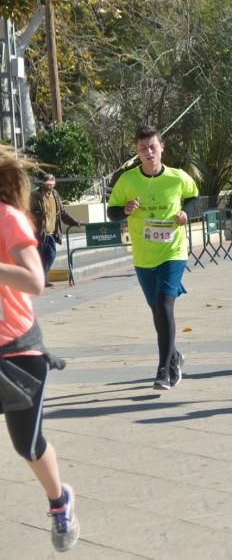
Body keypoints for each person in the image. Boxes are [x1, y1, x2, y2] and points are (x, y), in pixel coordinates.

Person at [0, 148, 79, 552]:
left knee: (27, 444)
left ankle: (59, 502)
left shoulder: (8, 219)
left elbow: (34, 280)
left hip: (16, 352)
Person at [107, 125, 199, 390]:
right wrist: (125, 209)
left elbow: (194, 198)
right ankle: (175, 357)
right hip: (143, 256)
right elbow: (112, 212)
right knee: (157, 311)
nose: (148, 153)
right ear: (137, 153)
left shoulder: (177, 178)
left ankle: (163, 371)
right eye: (142, 149)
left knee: (165, 305)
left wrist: (186, 213)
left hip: (173, 252)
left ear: (162, 148)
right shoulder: (127, 180)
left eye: (152, 147)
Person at [29, 174, 81, 287]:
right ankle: (40, 279)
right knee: (41, 256)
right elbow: (29, 213)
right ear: (43, 183)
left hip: (52, 232)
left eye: (51, 184)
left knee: (50, 255)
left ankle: (41, 278)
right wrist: (41, 215)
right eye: (47, 184)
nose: (49, 186)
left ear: (54, 184)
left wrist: (74, 222)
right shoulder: (35, 195)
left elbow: (62, 212)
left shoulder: (55, 195)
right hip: (40, 233)